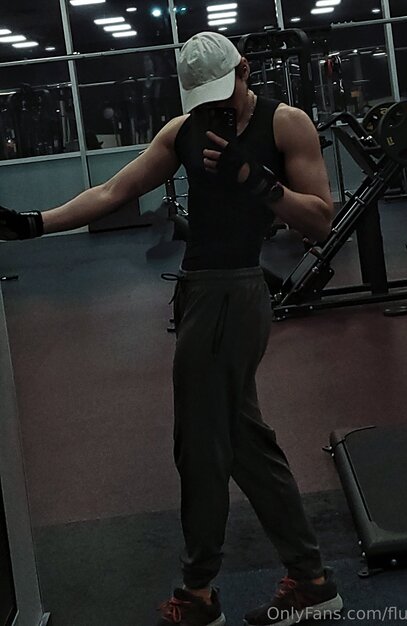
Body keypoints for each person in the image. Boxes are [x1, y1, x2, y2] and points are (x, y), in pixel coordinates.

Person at [0, 31, 343, 626]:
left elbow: (320, 220)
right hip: (198, 292)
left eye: (224, 92)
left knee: (200, 447)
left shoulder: (286, 124)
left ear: (244, 70)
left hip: (236, 292)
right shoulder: (181, 131)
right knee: (242, 442)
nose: (216, 107)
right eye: (204, 98)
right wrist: (36, 223)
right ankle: (312, 581)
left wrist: (257, 181)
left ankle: (198, 593)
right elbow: (115, 190)